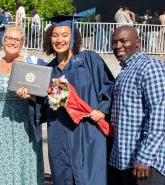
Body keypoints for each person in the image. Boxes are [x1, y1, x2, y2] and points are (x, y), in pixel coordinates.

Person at [18, 15, 115, 185]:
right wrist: (32, 98)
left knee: (90, 178)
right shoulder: (49, 71)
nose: (59, 39)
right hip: (59, 133)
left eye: (64, 35)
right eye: (55, 35)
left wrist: (102, 109)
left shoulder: (88, 60)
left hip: (88, 132)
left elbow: (107, 85)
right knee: (63, 178)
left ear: (73, 38)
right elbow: (45, 107)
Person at [109, 26, 165, 185]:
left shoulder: (150, 68)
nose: (118, 46)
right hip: (124, 159)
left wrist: (144, 158)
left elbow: (160, 118)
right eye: (114, 42)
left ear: (137, 43)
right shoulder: (126, 70)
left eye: (123, 41)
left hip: (144, 164)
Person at [0, 25, 45, 185]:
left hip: (24, 124)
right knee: (2, 166)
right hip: (0, 123)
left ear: (22, 43)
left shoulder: (30, 63)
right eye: (9, 38)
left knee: (23, 164)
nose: (12, 42)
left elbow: (42, 94)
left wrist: (30, 96)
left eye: (16, 39)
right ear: (3, 41)